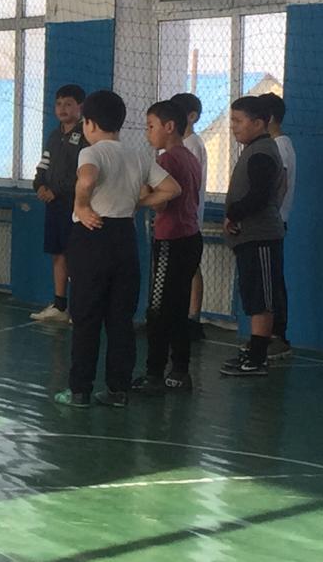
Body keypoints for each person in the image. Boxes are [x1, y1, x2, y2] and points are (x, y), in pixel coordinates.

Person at [53, 90, 180, 408]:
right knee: (120, 319)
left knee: (86, 317)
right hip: (124, 237)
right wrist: (138, 202)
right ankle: (117, 390)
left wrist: (82, 206)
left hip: (92, 235)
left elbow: (86, 181)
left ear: (90, 124)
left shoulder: (91, 152)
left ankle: (79, 391)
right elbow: (171, 188)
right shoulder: (137, 154)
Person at [132, 101, 202, 393]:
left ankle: (154, 374)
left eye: (151, 126)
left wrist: (139, 195)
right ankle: (180, 371)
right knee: (178, 307)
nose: (147, 132)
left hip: (171, 240)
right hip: (191, 238)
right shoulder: (190, 157)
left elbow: (160, 203)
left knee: (159, 309)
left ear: (169, 127)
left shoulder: (166, 160)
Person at [220, 96, 287, 378]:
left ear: (259, 123)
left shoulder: (262, 152)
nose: (233, 126)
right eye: (232, 120)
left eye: (239, 121)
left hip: (261, 237)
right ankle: (255, 352)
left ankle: (258, 358)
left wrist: (234, 213)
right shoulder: (253, 150)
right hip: (249, 236)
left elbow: (259, 195)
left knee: (262, 298)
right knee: (253, 295)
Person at [30, 84, 88, 323]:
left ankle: (79, 308)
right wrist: (40, 186)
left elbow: (83, 172)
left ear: (80, 107)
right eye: (59, 104)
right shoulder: (54, 136)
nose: (62, 109)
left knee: (77, 256)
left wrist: (58, 190)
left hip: (74, 206)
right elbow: (43, 165)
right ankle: (60, 305)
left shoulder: (86, 135)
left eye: (68, 104)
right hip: (53, 206)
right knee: (58, 254)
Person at [255, 92, 293, 359]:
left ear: (266, 119)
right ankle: (268, 337)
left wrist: (268, 216)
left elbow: (281, 184)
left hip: (273, 224)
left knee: (272, 283)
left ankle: (277, 337)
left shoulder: (279, 146)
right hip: (274, 222)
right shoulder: (278, 144)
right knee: (270, 281)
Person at [169, 92, 207, 338]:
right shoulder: (184, 144)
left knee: (191, 267)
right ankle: (182, 315)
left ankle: (192, 316)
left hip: (188, 215)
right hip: (184, 216)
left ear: (191, 117)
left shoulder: (191, 144)